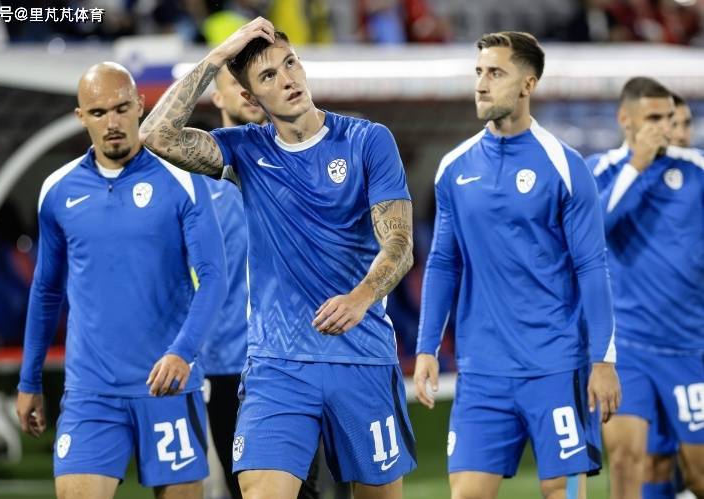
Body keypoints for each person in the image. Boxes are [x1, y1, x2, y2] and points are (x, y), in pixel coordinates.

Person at [140, 17, 417, 499]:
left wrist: (361, 297)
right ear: (250, 97)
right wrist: (218, 55)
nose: (287, 79)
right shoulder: (245, 151)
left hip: (361, 357)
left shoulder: (367, 140)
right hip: (278, 366)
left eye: (290, 64)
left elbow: (399, 243)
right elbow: (155, 134)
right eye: (268, 75)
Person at [413, 31, 620, 499]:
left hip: (556, 366)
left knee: (561, 492)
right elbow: (443, 263)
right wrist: (427, 347)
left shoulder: (565, 166)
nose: (481, 84)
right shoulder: (454, 167)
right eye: (478, 72)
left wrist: (603, 360)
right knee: (466, 493)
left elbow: (592, 267)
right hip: (482, 370)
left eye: (496, 73)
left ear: (528, 84)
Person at [15, 62, 227, 499]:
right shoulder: (57, 190)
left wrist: (182, 352)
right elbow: (47, 290)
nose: (111, 122)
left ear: (140, 106)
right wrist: (29, 380)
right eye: (98, 112)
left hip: (168, 387)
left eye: (120, 108)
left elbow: (213, 277)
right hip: (91, 392)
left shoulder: (183, 180)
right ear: (81, 117)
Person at [202, 66, 321, 499]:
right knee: (243, 491)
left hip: (292, 356)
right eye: (238, 84)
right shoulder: (196, 179)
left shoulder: (298, 162)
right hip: (225, 363)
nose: (250, 92)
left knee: (304, 490)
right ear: (217, 98)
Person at [586, 77, 704, 499]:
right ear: (625, 119)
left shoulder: (696, 169)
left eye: (669, 117)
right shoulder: (601, 170)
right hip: (627, 349)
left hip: (690, 348)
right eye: (653, 118)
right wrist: (637, 164)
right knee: (627, 461)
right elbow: (593, 230)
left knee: (698, 475)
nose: (664, 127)